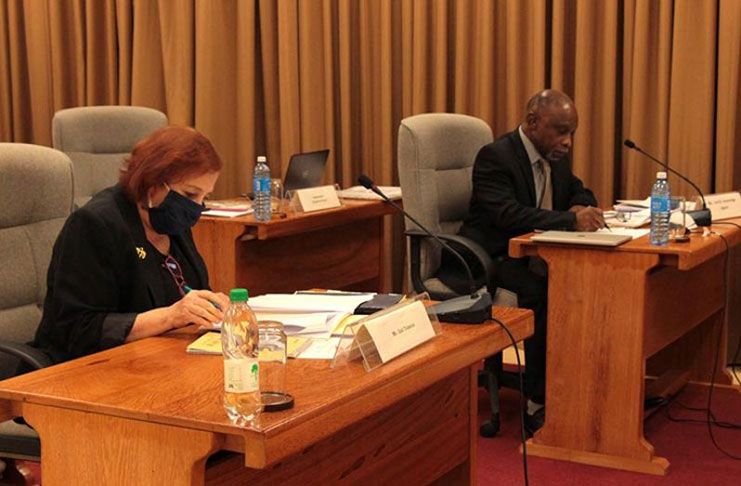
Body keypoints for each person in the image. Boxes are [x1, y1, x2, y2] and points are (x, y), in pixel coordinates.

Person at [457, 89, 605, 434]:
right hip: (491, 257)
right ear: (533, 121)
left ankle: (577, 387)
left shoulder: (554, 155)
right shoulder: (496, 156)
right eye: (561, 130)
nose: (568, 141)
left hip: (530, 254)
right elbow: (507, 215)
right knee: (545, 291)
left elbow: (580, 191)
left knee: (581, 282)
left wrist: (579, 207)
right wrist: (569, 221)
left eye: (572, 133)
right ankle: (537, 402)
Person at [31, 126, 230, 364]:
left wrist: (208, 307)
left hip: (157, 361)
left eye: (204, 197)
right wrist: (170, 317)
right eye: (190, 195)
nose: (197, 207)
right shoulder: (95, 224)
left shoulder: (172, 222)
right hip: (86, 368)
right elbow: (77, 330)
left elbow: (191, 293)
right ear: (152, 183)